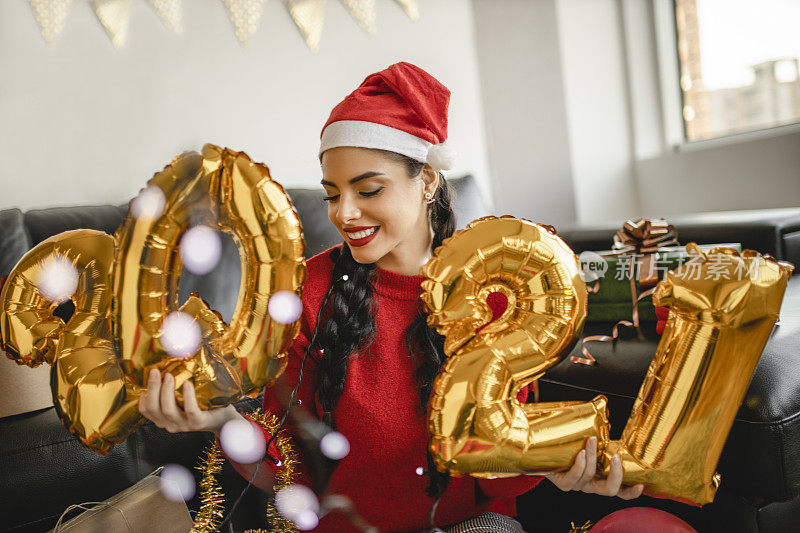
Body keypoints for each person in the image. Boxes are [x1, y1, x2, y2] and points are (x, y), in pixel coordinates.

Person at [139, 62, 643, 532]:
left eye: (369, 189)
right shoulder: (304, 295)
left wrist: (558, 467)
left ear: (426, 179)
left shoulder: (495, 291)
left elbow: (499, 467)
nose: (345, 214)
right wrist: (223, 420)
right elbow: (290, 475)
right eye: (333, 194)